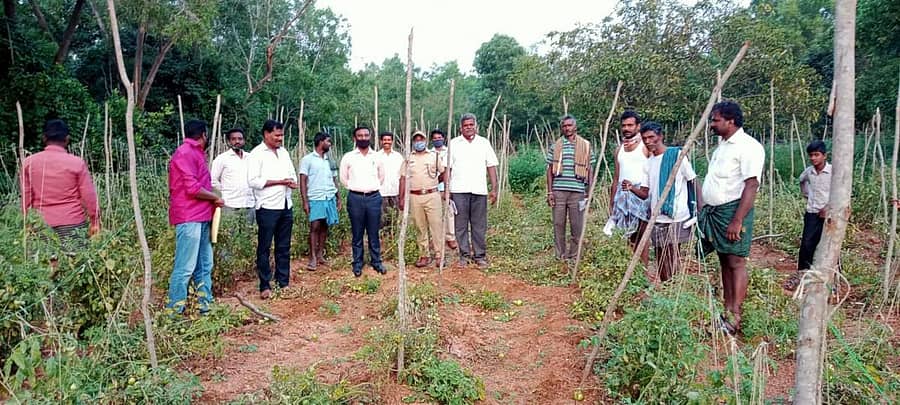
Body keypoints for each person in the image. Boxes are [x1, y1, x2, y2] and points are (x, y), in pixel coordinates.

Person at [698, 101, 765, 335]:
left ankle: (735, 316)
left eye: (715, 120)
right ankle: (727, 312)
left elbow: (751, 184)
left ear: (731, 121)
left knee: (736, 262)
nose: (712, 125)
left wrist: (737, 220)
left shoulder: (748, 147)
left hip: (733, 212)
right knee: (724, 261)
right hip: (716, 213)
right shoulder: (722, 146)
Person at [166, 119, 224, 315]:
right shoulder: (185, 153)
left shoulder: (194, 153)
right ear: (204, 135)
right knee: (185, 267)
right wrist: (215, 197)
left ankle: (204, 305)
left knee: (204, 264)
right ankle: (174, 311)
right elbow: (192, 188)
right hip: (189, 216)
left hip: (201, 216)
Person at [628, 122, 699, 282]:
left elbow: (693, 181)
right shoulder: (648, 163)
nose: (648, 141)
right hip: (657, 217)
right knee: (660, 257)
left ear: (660, 136)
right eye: (644, 138)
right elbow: (645, 194)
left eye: (651, 137)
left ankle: (672, 288)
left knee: (672, 255)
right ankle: (667, 287)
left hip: (676, 216)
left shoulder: (677, 156)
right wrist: (631, 188)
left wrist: (699, 210)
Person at [21, 119, 101, 253]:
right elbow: (89, 196)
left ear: (44, 138)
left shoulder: (29, 163)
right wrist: (95, 220)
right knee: (76, 264)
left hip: (41, 224)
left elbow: (26, 196)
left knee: (45, 266)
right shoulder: (76, 163)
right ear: (67, 139)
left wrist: (26, 221)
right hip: (72, 222)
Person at [247, 120, 297, 299]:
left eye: (281, 135)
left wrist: (291, 182)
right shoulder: (256, 154)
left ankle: (283, 282)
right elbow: (253, 181)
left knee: (283, 246)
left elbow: (292, 174)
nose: (280, 138)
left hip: (285, 204)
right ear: (266, 134)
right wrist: (279, 182)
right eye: (277, 135)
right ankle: (265, 284)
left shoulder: (283, 153)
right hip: (267, 206)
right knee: (265, 246)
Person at [447, 113, 499, 268]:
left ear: (475, 126)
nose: (468, 128)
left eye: (471, 125)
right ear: (460, 128)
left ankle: (480, 256)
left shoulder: (484, 143)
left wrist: (494, 188)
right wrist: (447, 190)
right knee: (460, 225)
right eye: (465, 125)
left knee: (479, 225)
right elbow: (447, 169)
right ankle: (464, 256)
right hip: (459, 190)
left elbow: (491, 166)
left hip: (479, 190)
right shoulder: (454, 144)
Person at [545, 115, 595, 261]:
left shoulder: (585, 146)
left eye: (569, 125)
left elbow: (590, 170)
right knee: (558, 223)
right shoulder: (556, 146)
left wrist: (589, 192)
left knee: (576, 225)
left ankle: (574, 256)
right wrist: (550, 192)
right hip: (558, 190)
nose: (567, 128)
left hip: (578, 192)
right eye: (564, 126)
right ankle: (560, 255)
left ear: (575, 127)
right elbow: (549, 170)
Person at [340, 126, 387, 277]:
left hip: (374, 197)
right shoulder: (348, 157)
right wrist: (355, 188)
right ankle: (358, 263)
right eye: (360, 136)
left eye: (366, 135)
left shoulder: (377, 156)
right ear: (355, 138)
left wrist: (371, 189)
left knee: (374, 231)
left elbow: (382, 176)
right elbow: (343, 178)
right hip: (355, 198)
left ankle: (376, 262)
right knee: (357, 232)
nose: (363, 138)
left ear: (370, 137)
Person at [784, 140, 831, 291]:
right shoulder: (809, 172)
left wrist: (828, 207)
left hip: (829, 216)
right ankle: (802, 275)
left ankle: (833, 280)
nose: (813, 158)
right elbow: (801, 181)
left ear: (824, 156)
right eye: (811, 155)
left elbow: (841, 191)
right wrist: (807, 195)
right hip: (812, 213)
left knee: (829, 245)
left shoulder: (833, 172)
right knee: (806, 245)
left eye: (816, 155)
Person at [606, 110, 651, 266]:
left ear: (638, 126)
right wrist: (612, 203)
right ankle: (629, 273)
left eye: (630, 125)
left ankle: (643, 274)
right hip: (622, 196)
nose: (626, 128)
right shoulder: (619, 150)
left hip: (641, 194)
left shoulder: (645, 147)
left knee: (642, 236)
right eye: (624, 125)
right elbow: (616, 178)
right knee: (625, 235)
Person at [399, 131, 446, 267]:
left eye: (421, 139)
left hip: (432, 195)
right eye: (416, 140)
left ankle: (439, 255)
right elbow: (402, 178)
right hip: (415, 196)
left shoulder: (434, 156)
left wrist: (436, 183)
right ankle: (424, 255)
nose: (419, 142)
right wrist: (401, 198)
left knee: (436, 225)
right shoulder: (408, 158)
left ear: (426, 141)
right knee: (420, 227)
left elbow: (443, 172)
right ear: (413, 142)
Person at [299, 132, 341, 271]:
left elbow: (334, 180)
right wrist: (305, 201)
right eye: (328, 141)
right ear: (320, 142)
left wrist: (338, 197)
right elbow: (303, 181)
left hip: (329, 196)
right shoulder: (308, 159)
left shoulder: (330, 160)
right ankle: (312, 258)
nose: (330, 144)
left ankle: (320, 254)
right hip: (315, 197)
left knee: (324, 226)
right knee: (314, 227)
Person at [211, 128, 255, 224]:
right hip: (230, 205)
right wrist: (225, 191)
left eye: (240, 139)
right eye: (233, 139)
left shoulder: (251, 158)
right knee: (231, 236)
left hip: (249, 204)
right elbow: (213, 180)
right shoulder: (222, 159)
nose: (237, 141)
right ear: (228, 141)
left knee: (247, 235)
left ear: (244, 140)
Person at [430, 129, 458, 250]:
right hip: (432, 188)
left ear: (444, 138)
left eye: (439, 137)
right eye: (435, 138)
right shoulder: (429, 153)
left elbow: (452, 170)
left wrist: (449, 188)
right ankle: (434, 239)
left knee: (449, 212)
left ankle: (450, 237)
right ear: (432, 140)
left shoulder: (449, 152)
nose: (437, 140)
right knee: (433, 215)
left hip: (447, 187)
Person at [377, 131, 404, 233]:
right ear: (381, 141)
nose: (386, 142)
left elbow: (402, 176)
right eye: (384, 140)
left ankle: (392, 240)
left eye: (388, 140)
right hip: (380, 193)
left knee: (394, 219)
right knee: (381, 220)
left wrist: (402, 196)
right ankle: (383, 242)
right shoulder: (376, 156)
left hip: (395, 193)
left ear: (392, 141)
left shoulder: (398, 156)